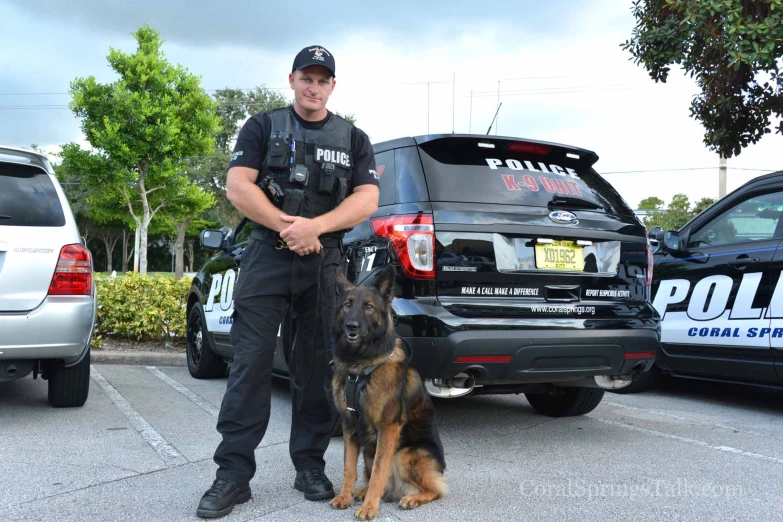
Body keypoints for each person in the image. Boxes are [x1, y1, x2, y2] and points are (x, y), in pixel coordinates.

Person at [196, 45, 379, 519]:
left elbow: (367, 200)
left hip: (326, 263)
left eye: (323, 80)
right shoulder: (263, 126)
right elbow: (239, 186)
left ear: (332, 86)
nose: (313, 86)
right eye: (306, 78)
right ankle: (232, 476)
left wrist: (315, 228)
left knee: (318, 367)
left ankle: (310, 467)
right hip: (267, 257)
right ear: (292, 79)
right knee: (250, 365)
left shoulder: (354, 138)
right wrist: (289, 228)